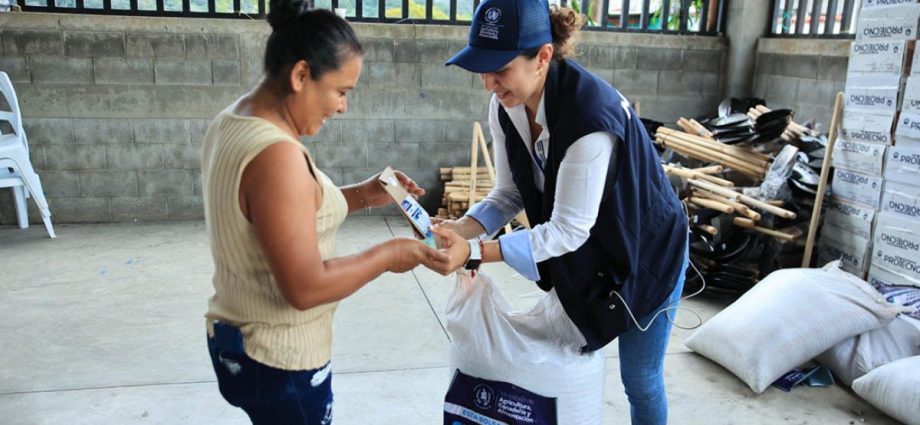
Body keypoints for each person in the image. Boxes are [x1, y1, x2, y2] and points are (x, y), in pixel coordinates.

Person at [431, 0, 690, 424]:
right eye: (482, 68)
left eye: (501, 68)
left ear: (543, 57)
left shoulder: (590, 118)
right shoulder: (507, 104)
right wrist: (461, 228)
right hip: (599, 246)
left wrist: (474, 252)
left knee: (640, 379)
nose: (489, 83)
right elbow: (508, 193)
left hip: (650, 252)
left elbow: (567, 231)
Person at [200, 3, 448, 424]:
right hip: (279, 360)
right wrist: (390, 255)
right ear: (300, 76)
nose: (342, 107)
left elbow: (280, 215)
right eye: (341, 91)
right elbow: (305, 287)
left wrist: (363, 195)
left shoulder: (234, 121)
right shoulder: (277, 155)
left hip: (237, 340)